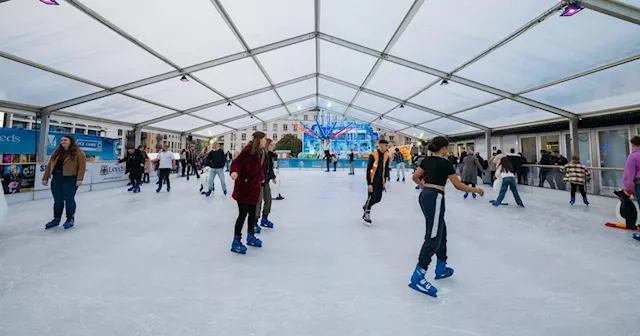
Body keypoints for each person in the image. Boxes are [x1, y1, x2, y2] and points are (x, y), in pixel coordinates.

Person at [409, 136, 484, 297]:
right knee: (434, 236)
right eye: (447, 148)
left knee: (441, 232)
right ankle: (418, 275)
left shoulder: (426, 161)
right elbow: (458, 185)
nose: (448, 150)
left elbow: (415, 177)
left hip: (425, 196)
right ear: (443, 148)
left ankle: (441, 267)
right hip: (436, 197)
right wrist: (476, 190)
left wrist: (423, 186)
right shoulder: (445, 163)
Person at [229, 131, 267, 254]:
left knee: (252, 214)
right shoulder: (248, 151)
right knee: (242, 215)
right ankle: (236, 241)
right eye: (264, 139)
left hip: (253, 189)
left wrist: (261, 178)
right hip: (244, 189)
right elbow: (236, 162)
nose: (266, 141)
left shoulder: (260, 153)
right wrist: (234, 172)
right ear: (259, 139)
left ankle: (250, 236)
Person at [41, 135, 86, 230]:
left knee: (69, 199)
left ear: (71, 141)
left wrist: (79, 178)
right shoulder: (57, 152)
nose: (63, 142)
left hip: (70, 179)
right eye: (61, 140)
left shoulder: (78, 152)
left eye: (65, 140)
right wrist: (45, 177)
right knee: (57, 200)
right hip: (56, 178)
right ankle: (56, 219)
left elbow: (82, 166)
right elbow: (50, 165)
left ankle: (70, 219)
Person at [362, 140, 389, 227]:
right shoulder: (373, 155)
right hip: (373, 181)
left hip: (380, 182)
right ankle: (367, 214)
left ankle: (366, 206)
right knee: (372, 198)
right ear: (380, 146)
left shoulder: (386, 156)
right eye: (385, 146)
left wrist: (384, 183)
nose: (386, 148)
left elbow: (385, 171)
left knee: (378, 198)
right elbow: (368, 170)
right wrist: (369, 183)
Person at [255, 139, 277, 233]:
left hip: (266, 181)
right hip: (259, 182)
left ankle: (264, 218)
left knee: (268, 200)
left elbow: (270, 168)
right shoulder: (261, 155)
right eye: (271, 145)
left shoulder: (269, 156)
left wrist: (272, 177)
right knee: (258, 202)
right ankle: (255, 222)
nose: (272, 146)